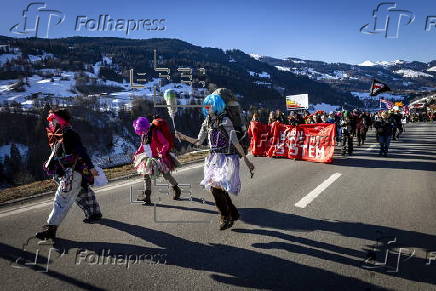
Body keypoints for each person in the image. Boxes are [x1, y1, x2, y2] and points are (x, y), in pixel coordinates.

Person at [175, 94, 255, 230]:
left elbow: (235, 142)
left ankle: (225, 217)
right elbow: (199, 141)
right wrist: (183, 137)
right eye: (206, 105)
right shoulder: (207, 121)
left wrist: (247, 160)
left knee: (215, 188)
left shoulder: (225, 120)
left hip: (227, 159)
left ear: (216, 105)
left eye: (209, 105)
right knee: (218, 188)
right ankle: (233, 213)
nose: (207, 107)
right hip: (213, 159)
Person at [36, 109, 100, 240]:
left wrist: (91, 167)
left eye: (53, 119)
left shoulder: (69, 134)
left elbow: (81, 151)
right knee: (83, 191)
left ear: (60, 120)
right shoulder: (59, 135)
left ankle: (51, 229)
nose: (51, 122)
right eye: (51, 120)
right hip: (69, 172)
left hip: (71, 173)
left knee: (61, 200)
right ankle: (94, 214)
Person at [133, 117, 181, 205]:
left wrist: (162, 153)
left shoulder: (156, 132)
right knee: (146, 177)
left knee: (166, 175)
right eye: (140, 132)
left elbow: (165, 143)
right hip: (148, 158)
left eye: (142, 130)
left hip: (158, 158)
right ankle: (147, 197)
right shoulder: (144, 135)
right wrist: (137, 152)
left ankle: (176, 189)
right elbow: (142, 145)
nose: (142, 133)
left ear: (145, 127)